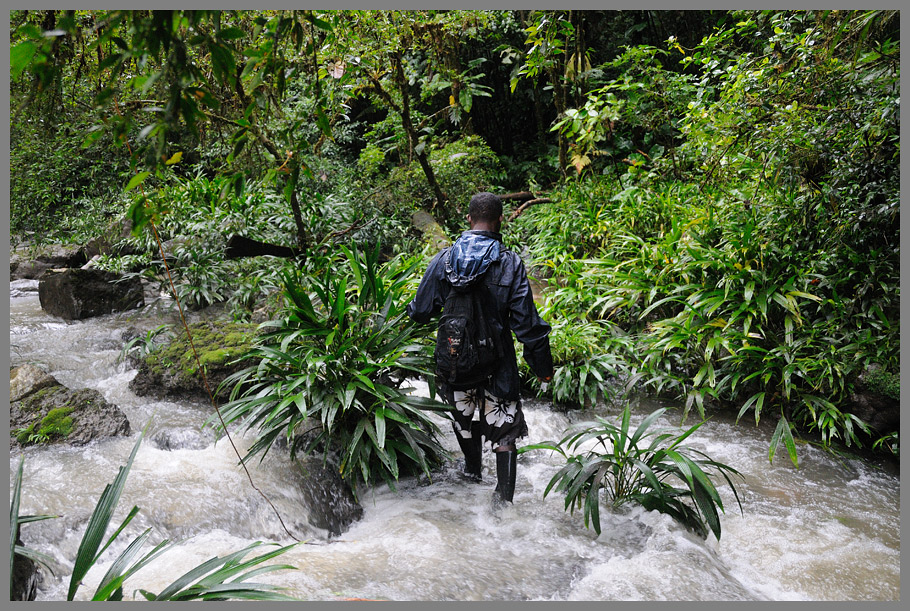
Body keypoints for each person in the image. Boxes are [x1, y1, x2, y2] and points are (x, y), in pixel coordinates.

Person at [406, 192, 553, 506]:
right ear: (500, 221)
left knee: (463, 418)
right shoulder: (509, 262)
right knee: (504, 433)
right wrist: (542, 368)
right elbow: (527, 323)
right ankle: (503, 506)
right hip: (498, 362)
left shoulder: (444, 259)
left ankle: (472, 471)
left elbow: (419, 310)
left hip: (455, 357)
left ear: (469, 220)